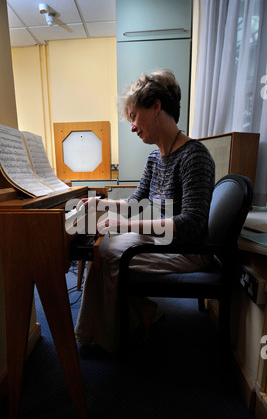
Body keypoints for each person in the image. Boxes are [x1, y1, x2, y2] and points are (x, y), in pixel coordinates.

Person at [74, 69, 215, 353]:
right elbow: (136, 202)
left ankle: (114, 337)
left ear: (156, 107)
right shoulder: (155, 158)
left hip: (186, 250)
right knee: (100, 248)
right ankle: (132, 316)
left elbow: (191, 224)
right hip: (162, 242)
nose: (132, 126)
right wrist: (101, 205)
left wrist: (125, 226)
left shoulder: (194, 156)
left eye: (133, 116)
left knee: (110, 253)